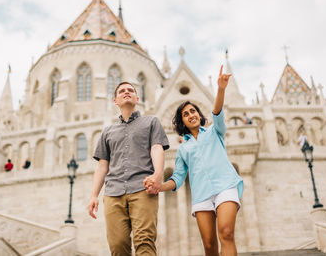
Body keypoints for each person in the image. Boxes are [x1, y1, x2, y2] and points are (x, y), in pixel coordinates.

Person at [145, 64, 243, 256]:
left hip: (225, 186)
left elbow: (217, 113)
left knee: (227, 232)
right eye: (186, 114)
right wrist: (158, 186)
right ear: (182, 122)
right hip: (202, 195)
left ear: (199, 114)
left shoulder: (216, 132)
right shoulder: (183, 148)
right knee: (208, 245)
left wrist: (221, 89)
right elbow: (177, 178)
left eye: (193, 111)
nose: (191, 115)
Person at [88, 82, 169, 256]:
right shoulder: (107, 131)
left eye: (130, 90)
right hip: (113, 193)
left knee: (144, 241)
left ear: (137, 98)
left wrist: (157, 174)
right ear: (115, 100)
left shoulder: (151, 122)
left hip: (143, 189)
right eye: (122, 91)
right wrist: (94, 195)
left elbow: (156, 148)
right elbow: (103, 165)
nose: (126, 92)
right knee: (117, 246)